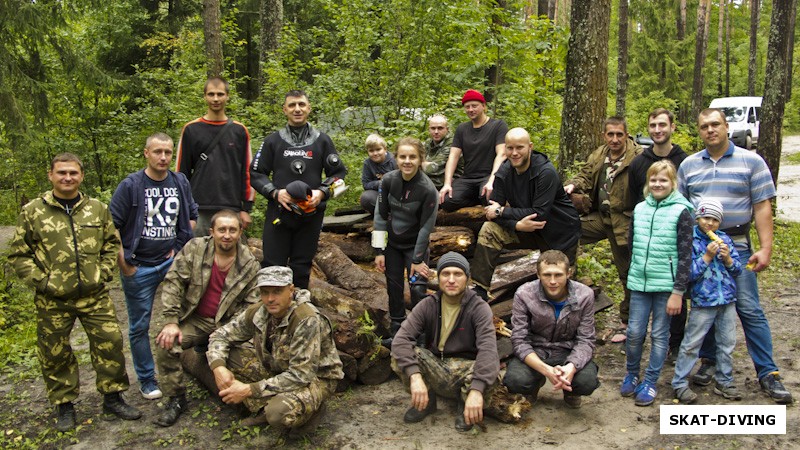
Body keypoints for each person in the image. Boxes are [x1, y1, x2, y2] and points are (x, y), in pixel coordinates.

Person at [8, 153, 141, 432]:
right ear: (51, 175)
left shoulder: (96, 209)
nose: (67, 178)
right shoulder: (33, 211)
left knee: (110, 343)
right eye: (61, 173)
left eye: (73, 173)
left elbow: (110, 244)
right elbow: (20, 255)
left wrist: (103, 273)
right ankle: (64, 404)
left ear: (81, 175)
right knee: (55, 352)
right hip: (53, 299)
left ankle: (113, 398)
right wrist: (43, 282)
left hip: (94, 295)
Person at [678, 108, 793, 404]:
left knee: (749, 308)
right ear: (699, 131)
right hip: (702, 246)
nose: (710, 130)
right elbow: (681, 210)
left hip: (738, 244)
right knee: (706, 303)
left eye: (715, 124)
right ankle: (710, 360)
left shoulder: (751, 161)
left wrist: (765, 247)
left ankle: (768, 372)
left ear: (727, 127)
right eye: (704, 126)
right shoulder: (689, 166)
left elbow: (762, 206)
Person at [110, 132, 198, 401]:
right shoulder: (131, 185)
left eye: (168, 152)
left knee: (184, 316)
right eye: (157, 152)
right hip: (139, 266)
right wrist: (124, 262)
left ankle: (181, 367)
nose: (163, 157)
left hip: (171, 262)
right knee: (139, 325)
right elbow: (112, 225)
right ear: (146, 153)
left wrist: (180, 248)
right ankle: (147, 379)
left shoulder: (179, 181)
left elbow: (191, 216)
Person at [206, 266, 344, 436]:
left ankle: (312, 410)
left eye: (277, 291)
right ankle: (266, 403)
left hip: (316, 378)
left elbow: (301, 375)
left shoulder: (305, 319)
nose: (270, 299)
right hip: (278, 367)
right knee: (227, 357)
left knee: (278, 413)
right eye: (265, 292)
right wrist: (218, 367)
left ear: (290, 290)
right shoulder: (258, 311)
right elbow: (220, 336)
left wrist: (249, 390)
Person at [153, 210, 261, 427]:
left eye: (232, 230)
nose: (227, 235)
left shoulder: (249, 263)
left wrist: (229, 335)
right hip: (196, 319)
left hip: (229, 324)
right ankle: (176, 398)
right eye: (222, 230)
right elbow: (173, 282)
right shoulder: (196, 249)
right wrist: (171, 321)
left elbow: (251, 306)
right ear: (212, 231)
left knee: (250, 362)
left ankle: (250, 401)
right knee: (166, 344)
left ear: (240, 233)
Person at [391, 252, 500, 432]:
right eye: (445, 274)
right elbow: (401, 340)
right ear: (438, 277)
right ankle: (426, 402)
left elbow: (488, 350)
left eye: (457, 274)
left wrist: (477, 389)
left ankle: (466, 403)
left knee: (491, 369)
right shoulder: (428, 305)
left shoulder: (479, 308)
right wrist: (415, 376)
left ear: (467, 278)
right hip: (437, 365)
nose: (451, 280)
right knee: (401, 356)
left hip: (466, 370)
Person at [251, 89, 348, 288]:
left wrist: (322, 192)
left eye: (301, 105)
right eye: (292, 105)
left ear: (309, 108)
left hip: (310, 214)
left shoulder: (322, 141)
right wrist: (276, 193)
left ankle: (300, 312)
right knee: (272, 266)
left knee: (302, 266)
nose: (297, 109)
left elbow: (339, 175)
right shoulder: (273, 141)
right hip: (280, 213)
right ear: (284, 110)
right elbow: (255, 173)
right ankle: (270, 312)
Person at [471, 128, 581, 301]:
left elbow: (539, 214)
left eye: (520, 148)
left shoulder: (546, 173)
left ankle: (569, 316)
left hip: (558, 233)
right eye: (510, 148)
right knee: (490, 229)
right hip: (526, 228)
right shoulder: (504, 172)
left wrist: (503, 211)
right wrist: (516, 225)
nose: (514, 153)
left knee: (559, 285)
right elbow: (493, 212)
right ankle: (479, 290)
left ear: (530, 147)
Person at [620, 160, 693, 407]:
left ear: (673, 183)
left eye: (663, 180)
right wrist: (635, 272)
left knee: (660, 335)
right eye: (653, 180)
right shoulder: (640, 209)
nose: (657, 184)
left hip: (666, 288)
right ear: (647, 183)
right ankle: (631, 374)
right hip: (640, 283)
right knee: (634, 332)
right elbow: (632, 245)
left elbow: (686, 255)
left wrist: (678, 292)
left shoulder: (682, 211)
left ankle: (650, 381)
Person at [564, 116, 641, 342]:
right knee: (568, 230)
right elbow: (586, 175)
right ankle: (566, 286)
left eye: (619, 134)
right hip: (600, 218)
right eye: (610, 134)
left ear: (626, 134)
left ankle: (628, 322)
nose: (615, 139)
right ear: (604, 135)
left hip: (624, 221)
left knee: (627, 273)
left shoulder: (637, 157)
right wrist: (573, 185)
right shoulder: (600, 154)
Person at [628, 108, 690, 361]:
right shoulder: (639, 162)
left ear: (672, 127)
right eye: (652, 125)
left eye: (662, 125)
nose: (657, 130)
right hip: (644, 245)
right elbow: (634, 200)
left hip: (673, 244)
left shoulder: (685, 160)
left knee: (674, 305)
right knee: (639, 307)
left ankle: (675, 347)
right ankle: (637, 345)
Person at [503, 250, 600, 408]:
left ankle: (571, 391)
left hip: (568, 350)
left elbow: (586, 339)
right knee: (515, 380)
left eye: (558, 275)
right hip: (537, 350)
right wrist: (546, 370)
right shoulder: (524, 294)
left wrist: (571, 367)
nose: (553, 281)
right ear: (538, 274)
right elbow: (519, 340)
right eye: (547, 275)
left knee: (586, 382)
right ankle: (534, 384)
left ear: (569, 273)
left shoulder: (585, 295)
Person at [672, 199, 743, 404]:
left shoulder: (725, 239)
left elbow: (738, 270)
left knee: (727, 343)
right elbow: (688, 274)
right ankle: (679, 382)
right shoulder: (690, 241)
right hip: (703, 301)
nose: (709, 224)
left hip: (727, 300)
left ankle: (725, 381)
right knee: (692, 343)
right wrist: (707, 257)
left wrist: (728, 259)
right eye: (705, 218)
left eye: (714, 220)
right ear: (698, 218)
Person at [373, 137, 439, 341]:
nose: (407, 161)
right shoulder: (388, 181)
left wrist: (418, 260)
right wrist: (379, 251)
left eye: (412, 157)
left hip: (415, 248)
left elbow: (426, 227)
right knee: (394, 289)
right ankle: (397, 332)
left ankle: (421, 335)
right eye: (402, 156)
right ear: (396, 158)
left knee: (418, 289)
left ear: (421, 160)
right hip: (392, 246)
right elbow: (380, 215)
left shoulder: (428, 189)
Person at [175, 76, 255, 236]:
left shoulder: (239, 131)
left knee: (229, 258)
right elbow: (181, 173)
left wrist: (246, 208)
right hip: (198, 209)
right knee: (197, 256)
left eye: (220, 94)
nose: (216, 99)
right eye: (211, 94)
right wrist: (183, 209)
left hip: (231, 207)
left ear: (227, 96)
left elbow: (248, 172)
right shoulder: (191, 129)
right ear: (204, 96)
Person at [438, 89, 508, 212]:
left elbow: (502, 154)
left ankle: (482, 198)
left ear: (483, 106)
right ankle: (476, 199)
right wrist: (447, 184)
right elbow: (453, 156)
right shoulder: (462, 129)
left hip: (488, 175)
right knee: (446, 201)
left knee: (491, 198)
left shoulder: (498, 126)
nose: (471, 109)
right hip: (468, 178)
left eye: (474, 106)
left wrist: (492, 180)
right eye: (467, 107)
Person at [359, 133, 397, 214]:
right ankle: (384, 215)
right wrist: (382, 183)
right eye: (371, 151)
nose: (375, 153)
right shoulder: (367, 163)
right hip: (380, 194)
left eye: (378, 149)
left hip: (397, 193)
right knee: (365, 198)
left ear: (385, 149)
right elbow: (366, 184)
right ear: (367, 151)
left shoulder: (394, 160)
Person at [422, 114, 462, 190]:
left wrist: (418, 164)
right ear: (429, 129)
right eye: (433, 128)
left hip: (452, 180)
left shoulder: (453, 143)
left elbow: (433, 168)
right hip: (433, 177)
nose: (436, 132)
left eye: (440, 128)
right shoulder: (428, 142)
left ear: (447, 129)